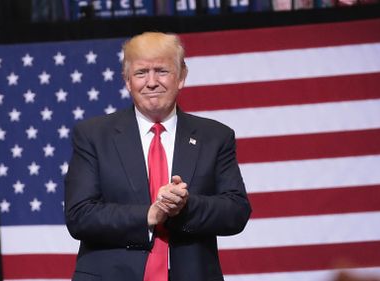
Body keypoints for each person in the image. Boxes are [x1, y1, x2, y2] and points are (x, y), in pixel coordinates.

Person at [64, 31, 251, 281]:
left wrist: (184, 207)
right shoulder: (93, 136)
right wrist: (150, 215)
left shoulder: (215, 136)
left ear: (181, 76)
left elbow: (236, 211)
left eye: (162, 71)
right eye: (141, 73)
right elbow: (80, 216)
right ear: (128, 81)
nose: (151, 82)